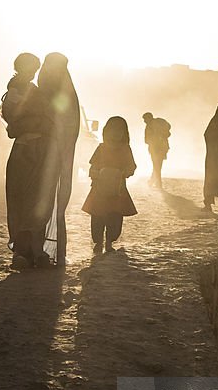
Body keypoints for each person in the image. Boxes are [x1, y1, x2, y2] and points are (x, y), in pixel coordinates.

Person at [1, 52, 50, 270]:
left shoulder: (27, 89)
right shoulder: (16, 90)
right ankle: (23, 251)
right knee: (24, 200)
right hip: (26, 149)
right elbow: (15, 119)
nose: (32, 71)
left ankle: (32, 251)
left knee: (33, 200)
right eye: (29, 67)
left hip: (32, 148)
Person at [38, 52, 80, 266]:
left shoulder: (51, 92)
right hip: (42, 155)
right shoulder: (57, 92)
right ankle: (41, 250)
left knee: (50, 202)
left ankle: (48, 250)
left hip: (48, 155)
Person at [82, 116, 137, 253]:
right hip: (99, 189)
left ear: (124, 133)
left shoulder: (126, 149)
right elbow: (92, 166)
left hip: (118, 189)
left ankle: (109, 241)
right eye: (113, 130)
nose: (115, 134)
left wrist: (124, 172)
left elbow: (131, 167)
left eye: (119, 131)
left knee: (115, 216)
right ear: (106, 131)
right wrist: (96, 173)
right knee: (97, 216)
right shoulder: (101, 148)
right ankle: (98, 242)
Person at [142, 112, 171, 188]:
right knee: (158, 166)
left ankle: (158, 183)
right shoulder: (159, 122)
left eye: (144, 119)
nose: (144, 121)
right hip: (163, 148)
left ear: (148, 118)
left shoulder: (149, 126)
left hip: (155, 149)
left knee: (156, 166)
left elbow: (146, 140)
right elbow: (168, 131)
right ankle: (152, 182)